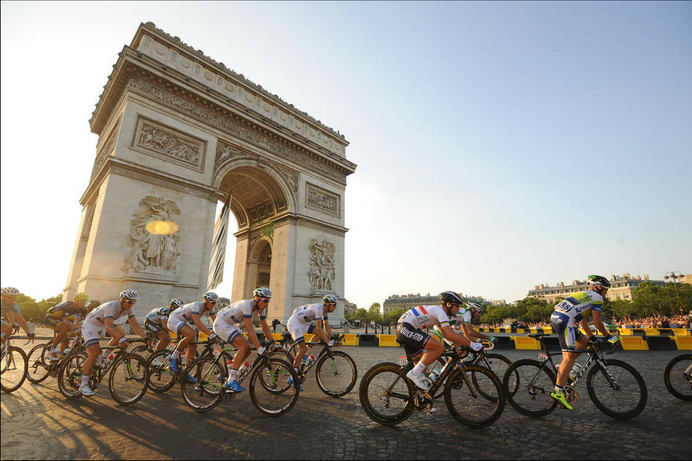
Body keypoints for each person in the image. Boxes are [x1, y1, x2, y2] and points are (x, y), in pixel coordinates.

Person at [549, 275, 620, 410]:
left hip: (559, 317)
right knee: (568, 358)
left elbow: (583, 322)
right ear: (599, 287)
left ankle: (567, 370)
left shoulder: (584, 295)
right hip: (565, 320)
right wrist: (609, 337)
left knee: (584, 342)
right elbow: (597, 321)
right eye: (606, 290)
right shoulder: (597, 297)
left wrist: (592, 337)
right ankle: (558, 392)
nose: (606, 293)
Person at [396, 291, 483, 391]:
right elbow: (450, 334)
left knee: (423, 368)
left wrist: (464, 344)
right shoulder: (439, 311)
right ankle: (413, 373)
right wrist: (472, 344)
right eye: (457, 306)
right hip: (406, 328)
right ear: (449, 304)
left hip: (408, 329)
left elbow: (447, 335)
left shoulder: (439, 313)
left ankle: (421, 401)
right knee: (438, 348)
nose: (459, 309)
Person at [78, 290, 151, 396]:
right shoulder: (112, 306)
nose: (131, 304)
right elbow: (108, 326)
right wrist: (121, 339)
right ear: (122, 300)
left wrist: (146, 338)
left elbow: (135, 325)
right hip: (91, 326)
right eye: (129, 302)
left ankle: (103, 357)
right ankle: (83, 385)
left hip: (102, 325)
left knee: (122, 332)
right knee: (94, 353)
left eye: (134, 302)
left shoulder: (129, 308)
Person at [212, 287, 275, 392]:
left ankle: (227, 372)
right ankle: (231, 381)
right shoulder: (247, 305)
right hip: (221, 323)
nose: (267, 303)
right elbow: (250, 329)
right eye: (265, 300)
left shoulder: (260, 309)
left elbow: (265, 326)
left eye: (268, 301)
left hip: (230, 324)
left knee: (248, 350)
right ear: (257, 299)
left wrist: (273, 342)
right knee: (244, 346)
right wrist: (259, 348)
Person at [286, 294, 341, 391]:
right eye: (334, 304)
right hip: (294, 323)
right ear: (327, 304)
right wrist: (328, 342)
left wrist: (332, 337)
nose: (336, 307)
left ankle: (306, 351)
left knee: (319, 334)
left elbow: (326, 326)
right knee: (302, 349)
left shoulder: (325, 311)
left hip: (303, 323)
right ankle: (292, 377)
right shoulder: (319, 309)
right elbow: (319, 328)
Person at [167, 292, 218, 377]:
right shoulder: (196, 305)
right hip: (174, 320)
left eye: (215, 302)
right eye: (213, 302)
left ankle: (187, 372)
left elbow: (216, 323)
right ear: (206, 301)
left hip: (183, 321)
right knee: (191, 333)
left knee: (193, 346)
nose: (214, 305)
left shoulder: (211, 309)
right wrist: (211, 334)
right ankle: (173, 357)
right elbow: (197, 322)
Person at [43, 292, 90, 360]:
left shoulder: (82, 309)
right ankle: (52, 351)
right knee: (66, 327)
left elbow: (87, 321)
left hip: (61, 319)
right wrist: (75, 329)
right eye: (81, 301)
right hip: (50, 318)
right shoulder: (67, 306)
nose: (84, 303)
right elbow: (66, 322)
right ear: (75, 301)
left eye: (85, 301)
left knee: (66, 340)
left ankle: (62, 359)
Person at [432, 301, 498, 349]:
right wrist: (488, 337)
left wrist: (477, 342)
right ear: (473, 309)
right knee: (459, 346)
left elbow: (467, 334)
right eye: (479, 312)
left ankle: (458, 366)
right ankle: (450, 366)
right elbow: (470, 332)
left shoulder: (464, 315)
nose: (480, 314)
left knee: (464, 346)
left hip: (444, 327)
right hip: (440, 327)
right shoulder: (467, 313)